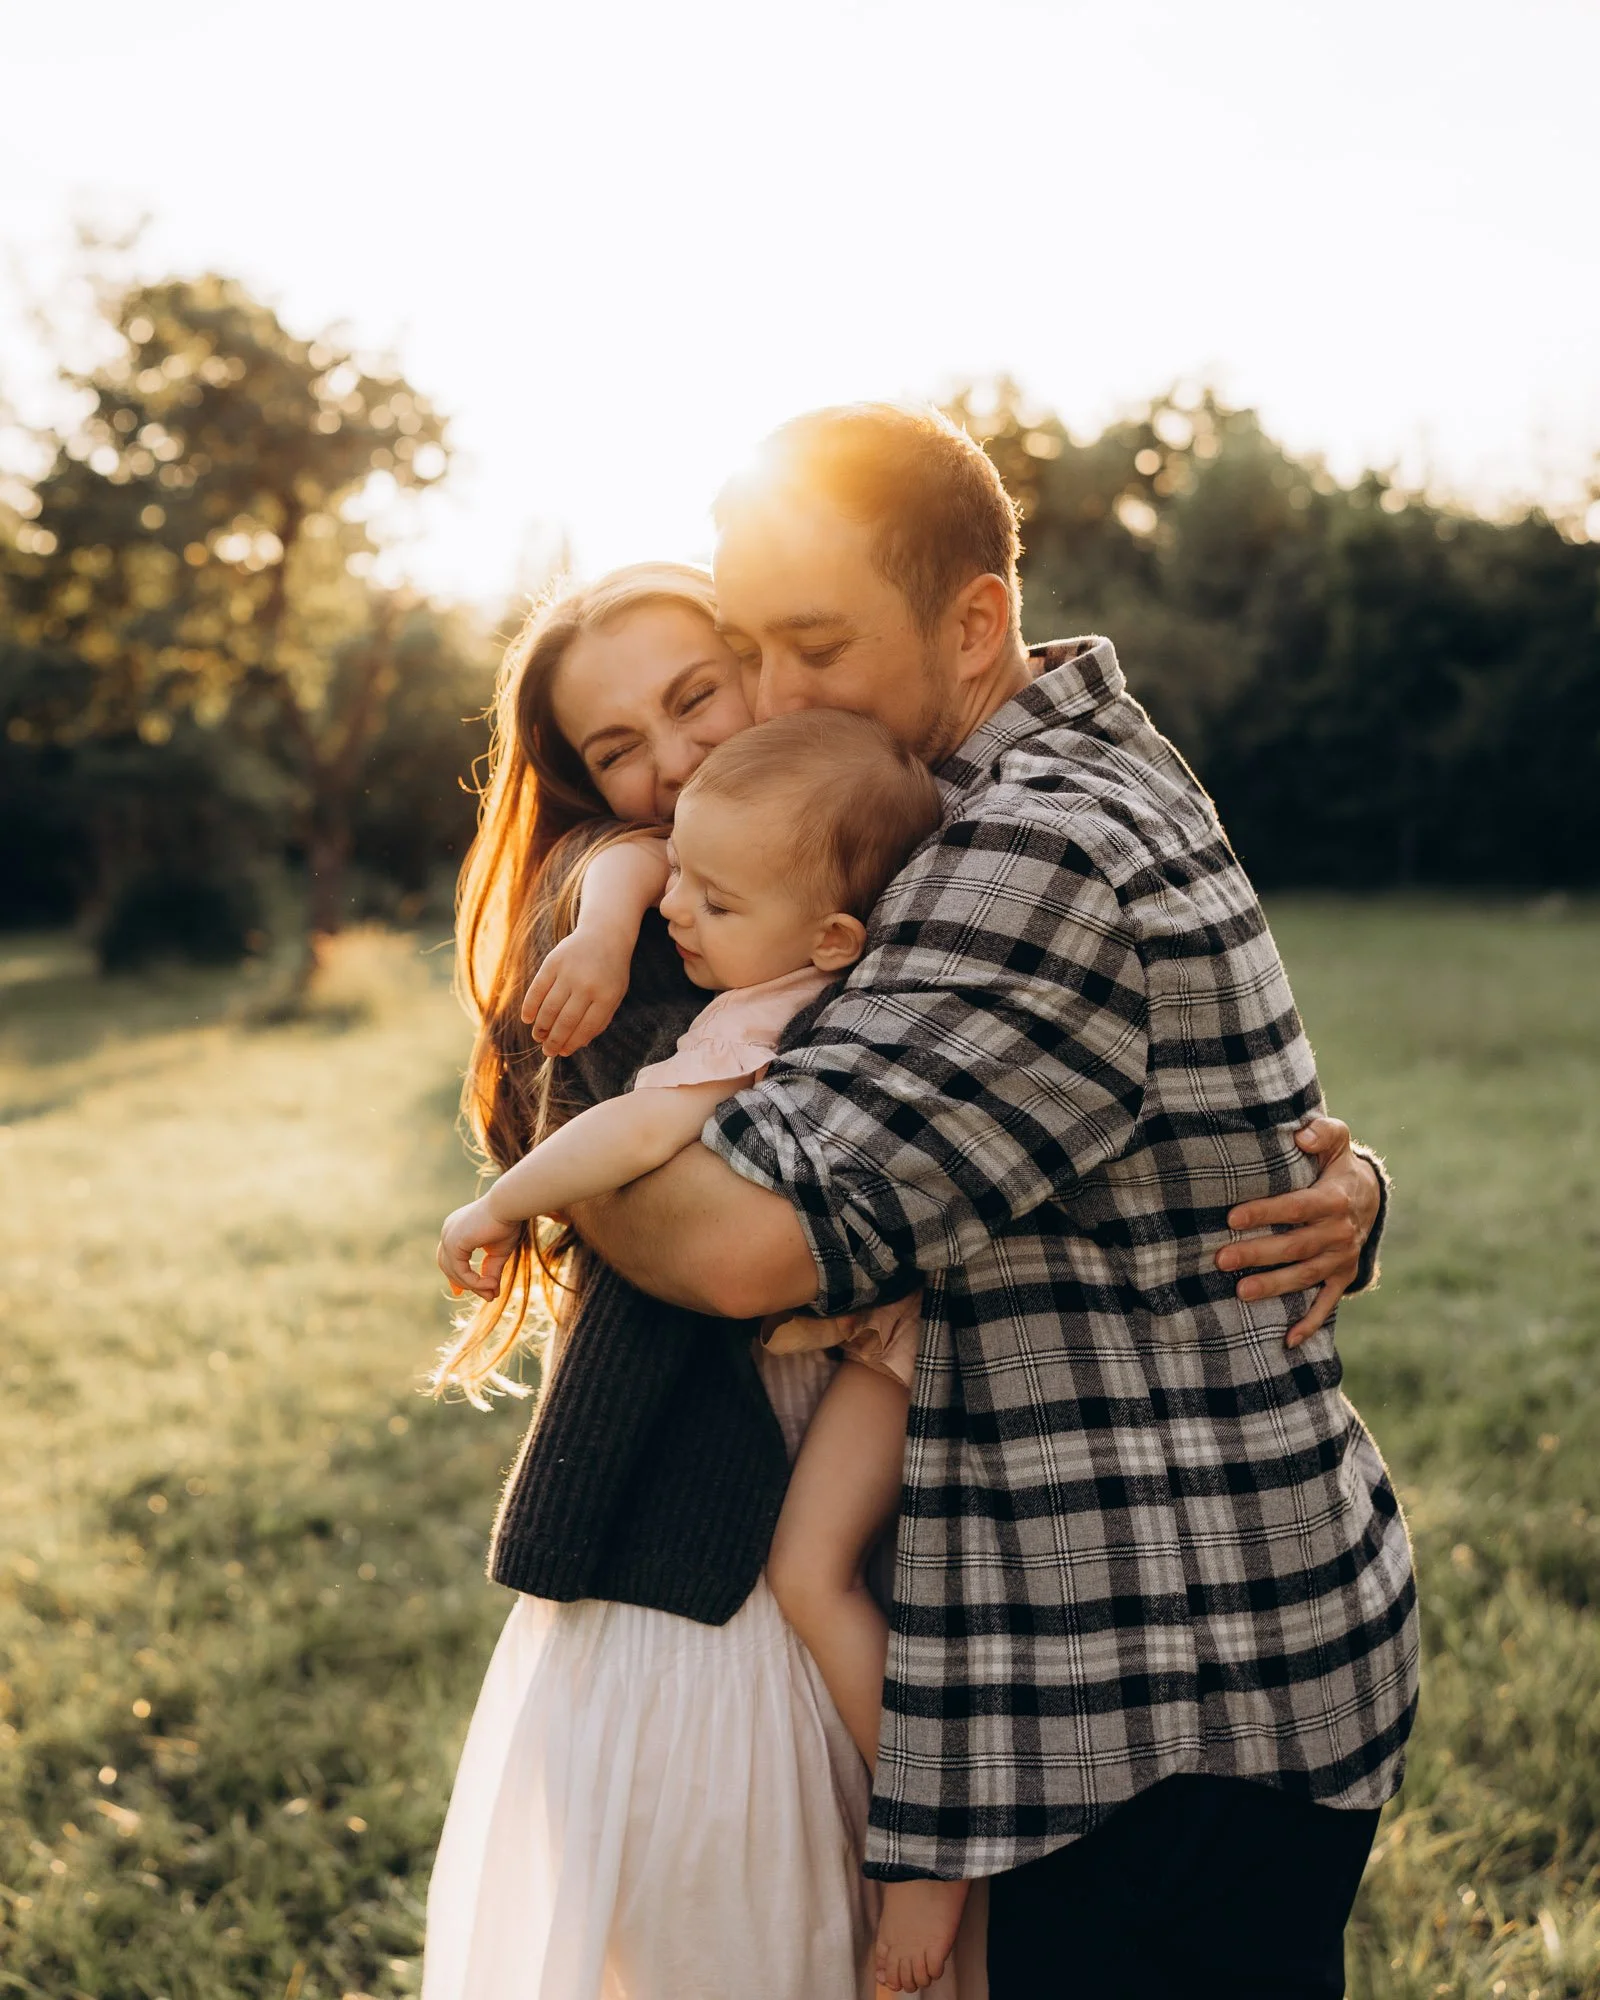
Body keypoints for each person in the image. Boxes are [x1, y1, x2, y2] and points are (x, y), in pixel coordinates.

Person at [420, 544, 1391, 1998]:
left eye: (703, 692)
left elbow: (1150, 1040)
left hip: (952, 1521)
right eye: (620, 748)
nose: (679, 764)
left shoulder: (931, 839)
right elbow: (720, 1208)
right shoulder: (634, 932)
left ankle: (928, 1880)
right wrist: (612, 912)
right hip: (711, 1548)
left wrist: (1355, 1183)